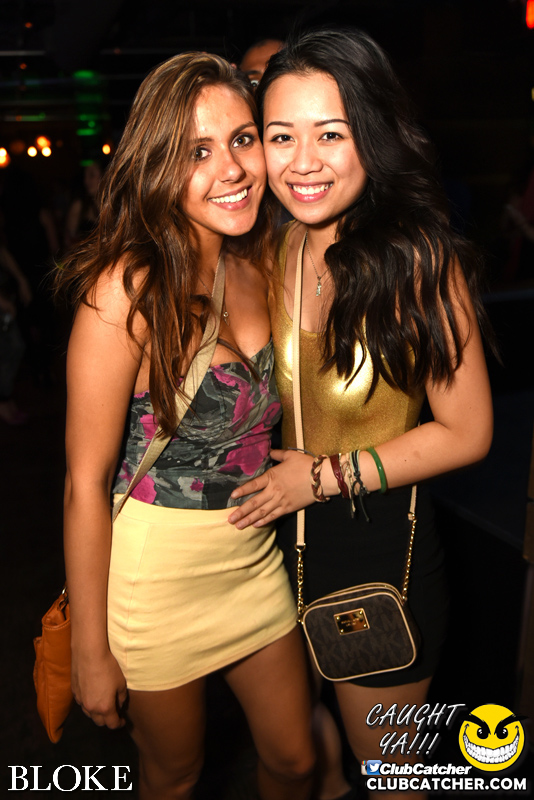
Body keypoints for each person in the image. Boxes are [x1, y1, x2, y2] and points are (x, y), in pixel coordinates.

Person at [229, 28, 493, 800]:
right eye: (282, 136)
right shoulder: (270, 251)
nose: (302, 161)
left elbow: (470, 431)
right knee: (299, 758)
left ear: (371, 136)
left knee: (391, 777)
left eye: (331, 134)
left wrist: (323, 478)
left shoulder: (418, 261)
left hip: (377, 565)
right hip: (270, 559)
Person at [57, 52, 315, 800]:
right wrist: (90, 650)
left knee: (296, 761)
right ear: (157, 164)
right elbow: (83, 483)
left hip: (253, 564)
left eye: (242, 139)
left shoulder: (258, 262)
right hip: (156, 582)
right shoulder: (125, 290)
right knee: (174, 776)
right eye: (197, 151)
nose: (230, 168)